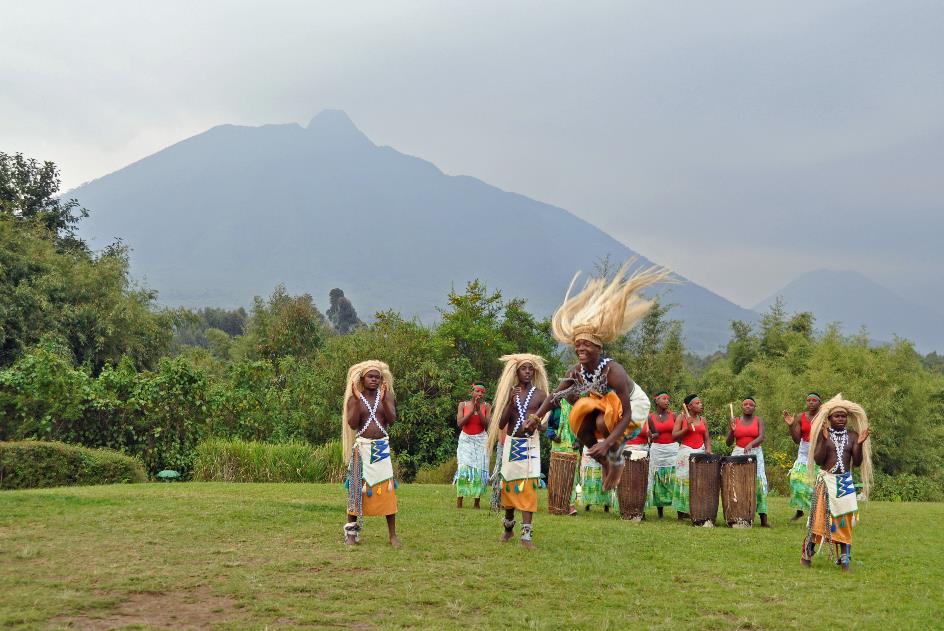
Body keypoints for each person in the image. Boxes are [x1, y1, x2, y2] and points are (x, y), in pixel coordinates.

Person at [530, 260, 668, 492]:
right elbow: (555, 396)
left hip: (632, 406)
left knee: (602, 420)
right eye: (577, 345)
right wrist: (536, 418)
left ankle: (613, 457)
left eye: (586, 345)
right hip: (606, 406)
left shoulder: (613, 371)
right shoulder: (575, 372)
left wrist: (609, 443)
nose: (580, 348)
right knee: (578, 421)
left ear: (598, 348)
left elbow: (627, 415)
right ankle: (608, 463)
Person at [801, 394, 873, 571]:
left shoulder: (853, 435)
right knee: (819, 520)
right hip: (826, 481)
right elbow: (818, 460)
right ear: (829, 418)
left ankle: (845, 559)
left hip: (844, 483)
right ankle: (807, 553)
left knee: (844, 521)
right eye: (837, 416)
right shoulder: (823, 435)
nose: (841, 419)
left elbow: (856, 462)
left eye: (843, 416)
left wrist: (860, 445)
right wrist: (825, 440)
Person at [486, 354, 549, 548]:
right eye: (524, 368)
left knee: (528, 489)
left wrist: (536, 422)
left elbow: (545, 427)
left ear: (535, 372)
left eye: (531, 369)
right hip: (512, 445)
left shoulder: (540, 396)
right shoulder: (511, 394)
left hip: (531, 446)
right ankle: (508, 528)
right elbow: (502, 423)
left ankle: (526, 536)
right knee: (510, 488)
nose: (528, 372)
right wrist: (510, 404)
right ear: (517, 372)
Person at [341, 360, 399, 547]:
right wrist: (357, 399)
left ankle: (392, 536)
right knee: (356, 489)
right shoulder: (353, 399)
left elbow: (392, 419)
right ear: (363, 379)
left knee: (387, 491)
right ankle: (351, 534)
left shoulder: (387, 397)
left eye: (377, 377)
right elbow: (352, 423)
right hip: (362, 448)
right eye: (370, 377)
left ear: (382, 380)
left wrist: (383, 401)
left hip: (381, 448)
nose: (374, 380)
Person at [725, 397, 770, 528]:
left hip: (755, 453)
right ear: (741, 407)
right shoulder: (736, 421)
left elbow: (761, 437)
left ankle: (763, 519)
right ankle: (738, 515)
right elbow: (728, 443)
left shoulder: (758, 420)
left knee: (759, 483)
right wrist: (731, 430)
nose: (748, 406)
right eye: (745, 404)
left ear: (755, 407)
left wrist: (751, 443)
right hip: (738, 453)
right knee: (737, 484)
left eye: (751, 404)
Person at [672, 393, 711, 519]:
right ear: (689, 406)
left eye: (701, 403)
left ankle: (695, 507)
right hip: (685, 452)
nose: (701, 405)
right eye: (697, 403)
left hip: (700, 452)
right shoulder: (681, 417)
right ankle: (681, 511)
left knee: (698, 482)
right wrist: (687, 428)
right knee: (684, 480)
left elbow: (707, 438)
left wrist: (708, 449)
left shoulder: (703, 419)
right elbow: (674, 436)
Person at [783, 393, 820, 521]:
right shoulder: (801, 416)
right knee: (796, 479)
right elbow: (797, 439)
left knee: (815, 484)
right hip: (804, 451)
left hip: (819, 451)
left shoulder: (824, 416)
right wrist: (791, 425)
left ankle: (815, 513)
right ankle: (800, 510)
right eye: (808, 400)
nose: (811, 402)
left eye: (814, 400)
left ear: (819, 402)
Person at [454, 383, 490, 509]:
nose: (480, 394)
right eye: (477, 391)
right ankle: (459, 500)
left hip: (481, 440)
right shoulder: (462, 405)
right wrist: (471, 412)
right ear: (471, 392)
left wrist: (478, 410)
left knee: (479, 470)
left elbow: (486, 425)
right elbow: (460, 423)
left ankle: (476, 502)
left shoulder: (486, 406)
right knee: (463, 469)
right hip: (466, 440)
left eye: (482, 392)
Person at [647, 392, 679, 518]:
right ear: (656, 401)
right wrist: (650, 435)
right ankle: (660, 512)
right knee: (658, 478)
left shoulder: (674, 416)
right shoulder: (650, 417)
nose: (667, 401)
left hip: (672, 450)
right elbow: (650, 433)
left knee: (674, 478)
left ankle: (679, 511)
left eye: (668, 399)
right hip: (657, 450)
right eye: (664, 398)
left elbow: (679, 432)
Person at [547, 398, 579, 515]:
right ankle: (556, 503)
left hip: (573, 446)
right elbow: (549, 424)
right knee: (557, 475)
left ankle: (570, 505)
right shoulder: (557, 405)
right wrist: (553, 435)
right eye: (574, 391)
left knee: (572, 476)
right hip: (558, 445)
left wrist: (578, 441)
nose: (577, 394)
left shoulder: (579, 406)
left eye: (578, 391)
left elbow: (582, 427)